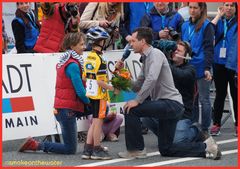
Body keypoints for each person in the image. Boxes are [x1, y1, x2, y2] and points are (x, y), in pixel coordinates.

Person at [116, 27, 220, 160]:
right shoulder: (146, 59)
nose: (131, 44)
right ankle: (206, 148)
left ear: (142, 41)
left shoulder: (156, 54)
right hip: (166, 105)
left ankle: (136, 150)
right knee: (166, 149)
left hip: (171, 103)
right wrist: (123, 75)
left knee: (131, 109)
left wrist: (138, 100)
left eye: (133, 41)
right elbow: (137, 86)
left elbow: (152, 78)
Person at [142, 40, 221, 160]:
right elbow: (144, 62)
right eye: (173, 50)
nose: (175, 52)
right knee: (145, 116)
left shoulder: (190, 69)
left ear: (186, 55)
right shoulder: (166, 65)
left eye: (178, 50)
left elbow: (178, 75)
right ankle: (167, 136)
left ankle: (195, 131)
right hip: (166, 112)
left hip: (182, 115)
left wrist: (163, 60)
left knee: (177, 143)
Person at [18, 32, 91, 154]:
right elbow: (80, 92)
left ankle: (92, 145)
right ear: (72, 47)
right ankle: (36, 145)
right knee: (70, 149)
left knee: (99, 110)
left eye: (84, 44)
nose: (84, 47)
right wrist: (89, 102)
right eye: (81, 44)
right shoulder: (73, 64)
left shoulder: (66, 60)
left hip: (64, 108)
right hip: (67, 110)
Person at [81, 26, 119, 160]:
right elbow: (100, 82)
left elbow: (85, 77)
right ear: (100, 42)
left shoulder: (89, 57)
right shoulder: (101, 60)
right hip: (100, 95)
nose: (104, 42)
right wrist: (112, 88)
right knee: (98, 123)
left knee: (95, 122)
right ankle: (97, 149)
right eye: (103, 40)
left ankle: (88, 149)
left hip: (91, 95)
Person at [181, 2, 215, 134]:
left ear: (201, 9)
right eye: (190, 7)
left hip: (201, 66)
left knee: (204, 99)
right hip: (188, 67)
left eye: (195, 8)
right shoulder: (185, 25)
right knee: (191, 99)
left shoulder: (207, 26)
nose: (192, 10)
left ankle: (205, 128)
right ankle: (193, 127)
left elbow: (209, 48)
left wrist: (207, 67)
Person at [210, 2, 238, 136]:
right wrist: (217, 16)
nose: (229, 8)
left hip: (233, 63)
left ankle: (238, 124)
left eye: (232, 5)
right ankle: (216, 124)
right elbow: (209, 31)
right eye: (226, 4)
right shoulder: (219, 21)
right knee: (219, 95)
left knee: (235, 94)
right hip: (218, 62)